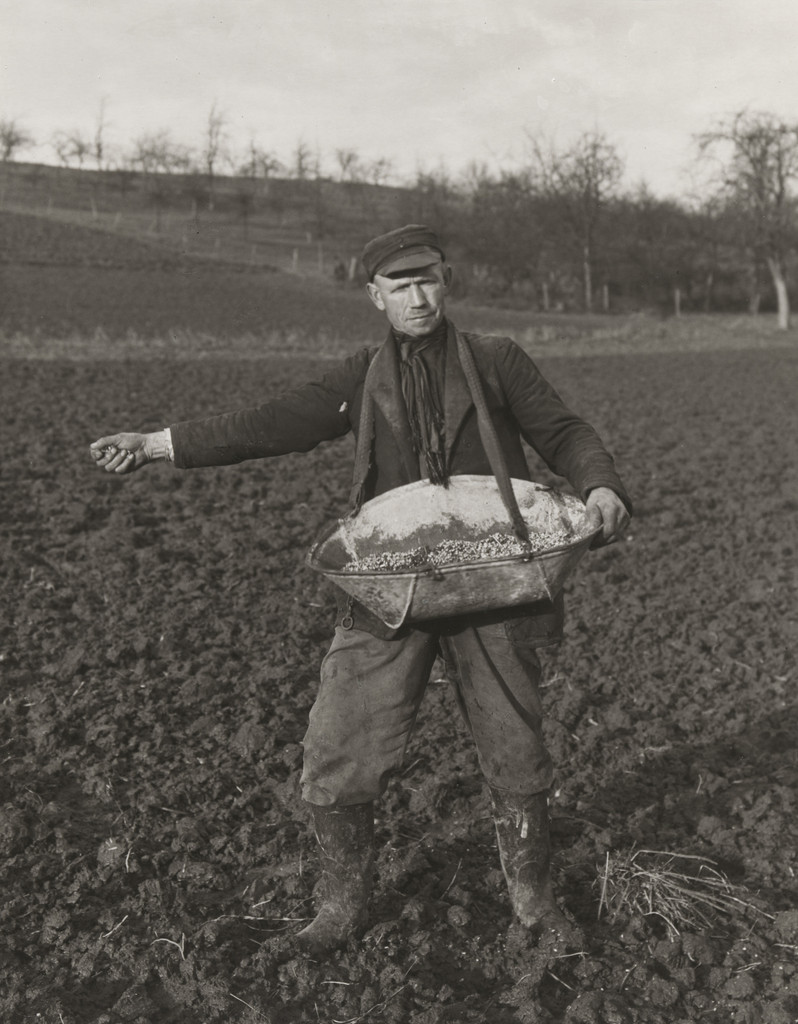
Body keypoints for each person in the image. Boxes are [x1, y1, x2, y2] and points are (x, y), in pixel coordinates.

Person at [90, 224, 631, 956]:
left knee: (516, 746)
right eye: (401, 286)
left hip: (496, 580)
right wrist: (157, 443)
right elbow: (267, 425)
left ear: (447, 281)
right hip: (388, 591)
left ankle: (534, 902)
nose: (418, 297)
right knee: (341, 743)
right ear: (374, 295)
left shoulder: (497, 361)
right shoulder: (358, 379)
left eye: (429, 280)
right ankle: (341, 909)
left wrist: (600, 485)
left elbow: (563, 431)